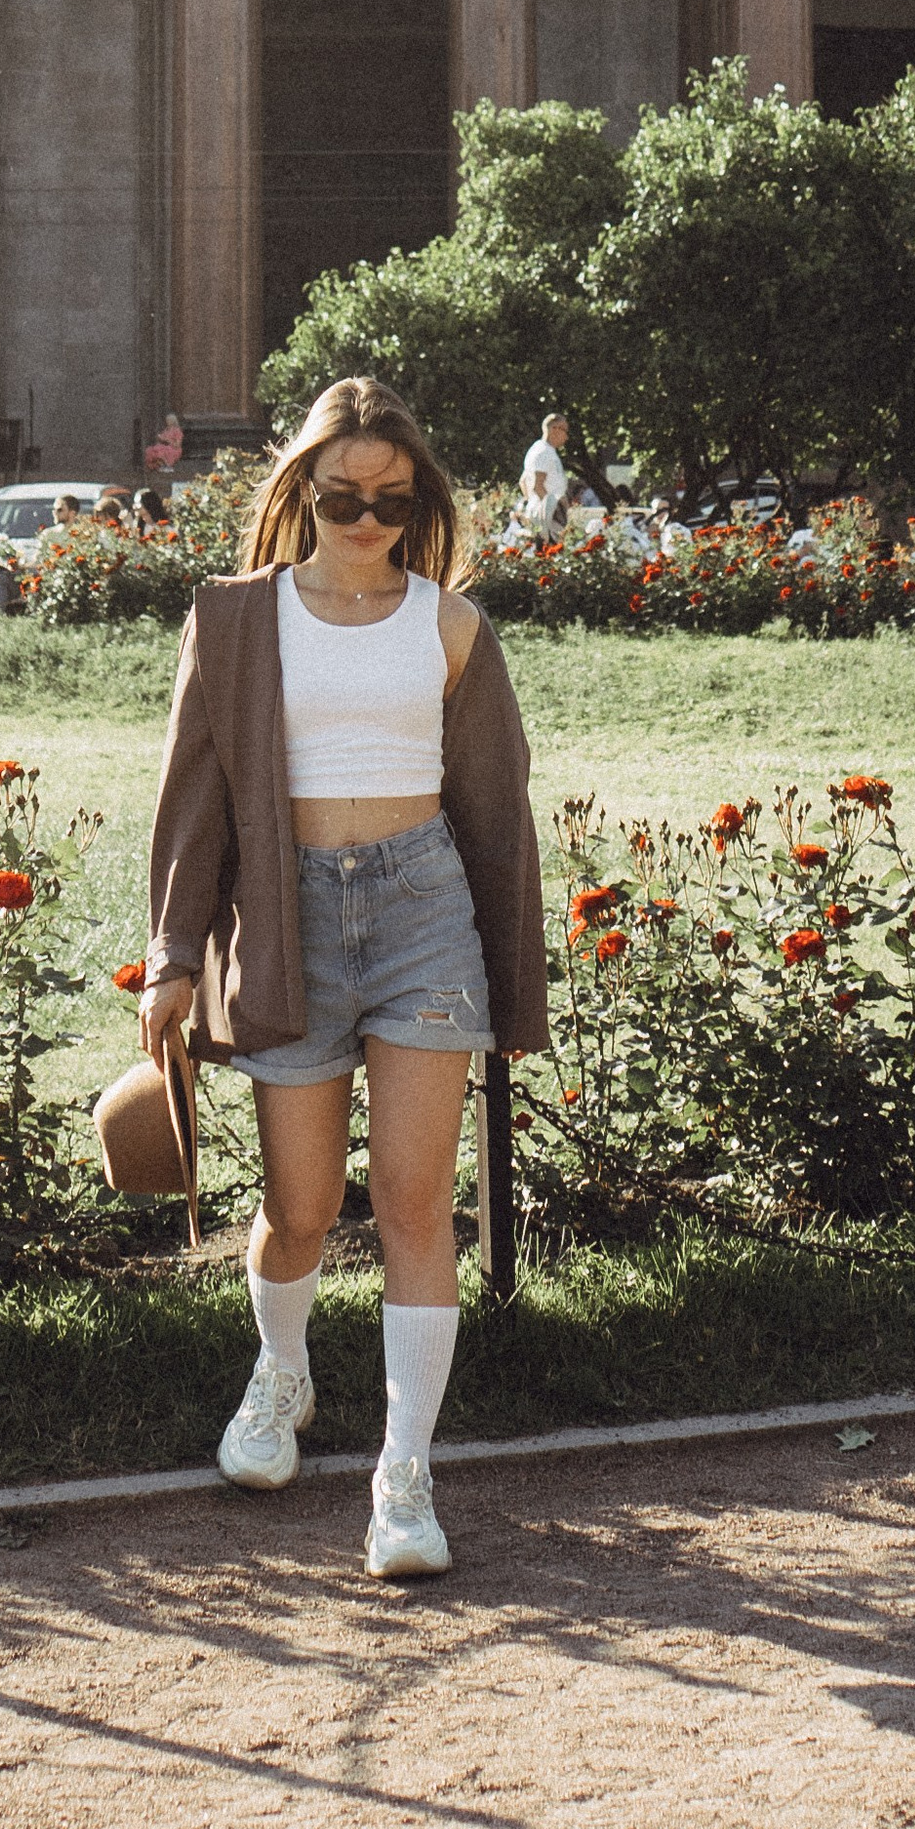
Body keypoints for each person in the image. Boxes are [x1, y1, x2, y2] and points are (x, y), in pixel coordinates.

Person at [140, 376, 548, 1583]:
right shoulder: (233, 619)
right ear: (300, 495)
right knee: (303, 1207)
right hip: (285, 920)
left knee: (419, 1208)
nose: (365, 521)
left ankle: (403, 1476)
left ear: (417, 502)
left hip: (424, 916)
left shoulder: (454, 626)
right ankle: (280, 1375)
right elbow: (191, 804)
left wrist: (513, 988)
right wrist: (171, 956)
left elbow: (496, 816)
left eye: (390, 500)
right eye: (341, 499)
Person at [519, 412, 571, 526]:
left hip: (543, 514)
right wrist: (556, 510)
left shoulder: (542, 450)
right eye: (565, 431)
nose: (567, 437)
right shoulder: (543, 452)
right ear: (554, 429)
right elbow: (537, 486)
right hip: (547, 517)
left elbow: (523, 481)